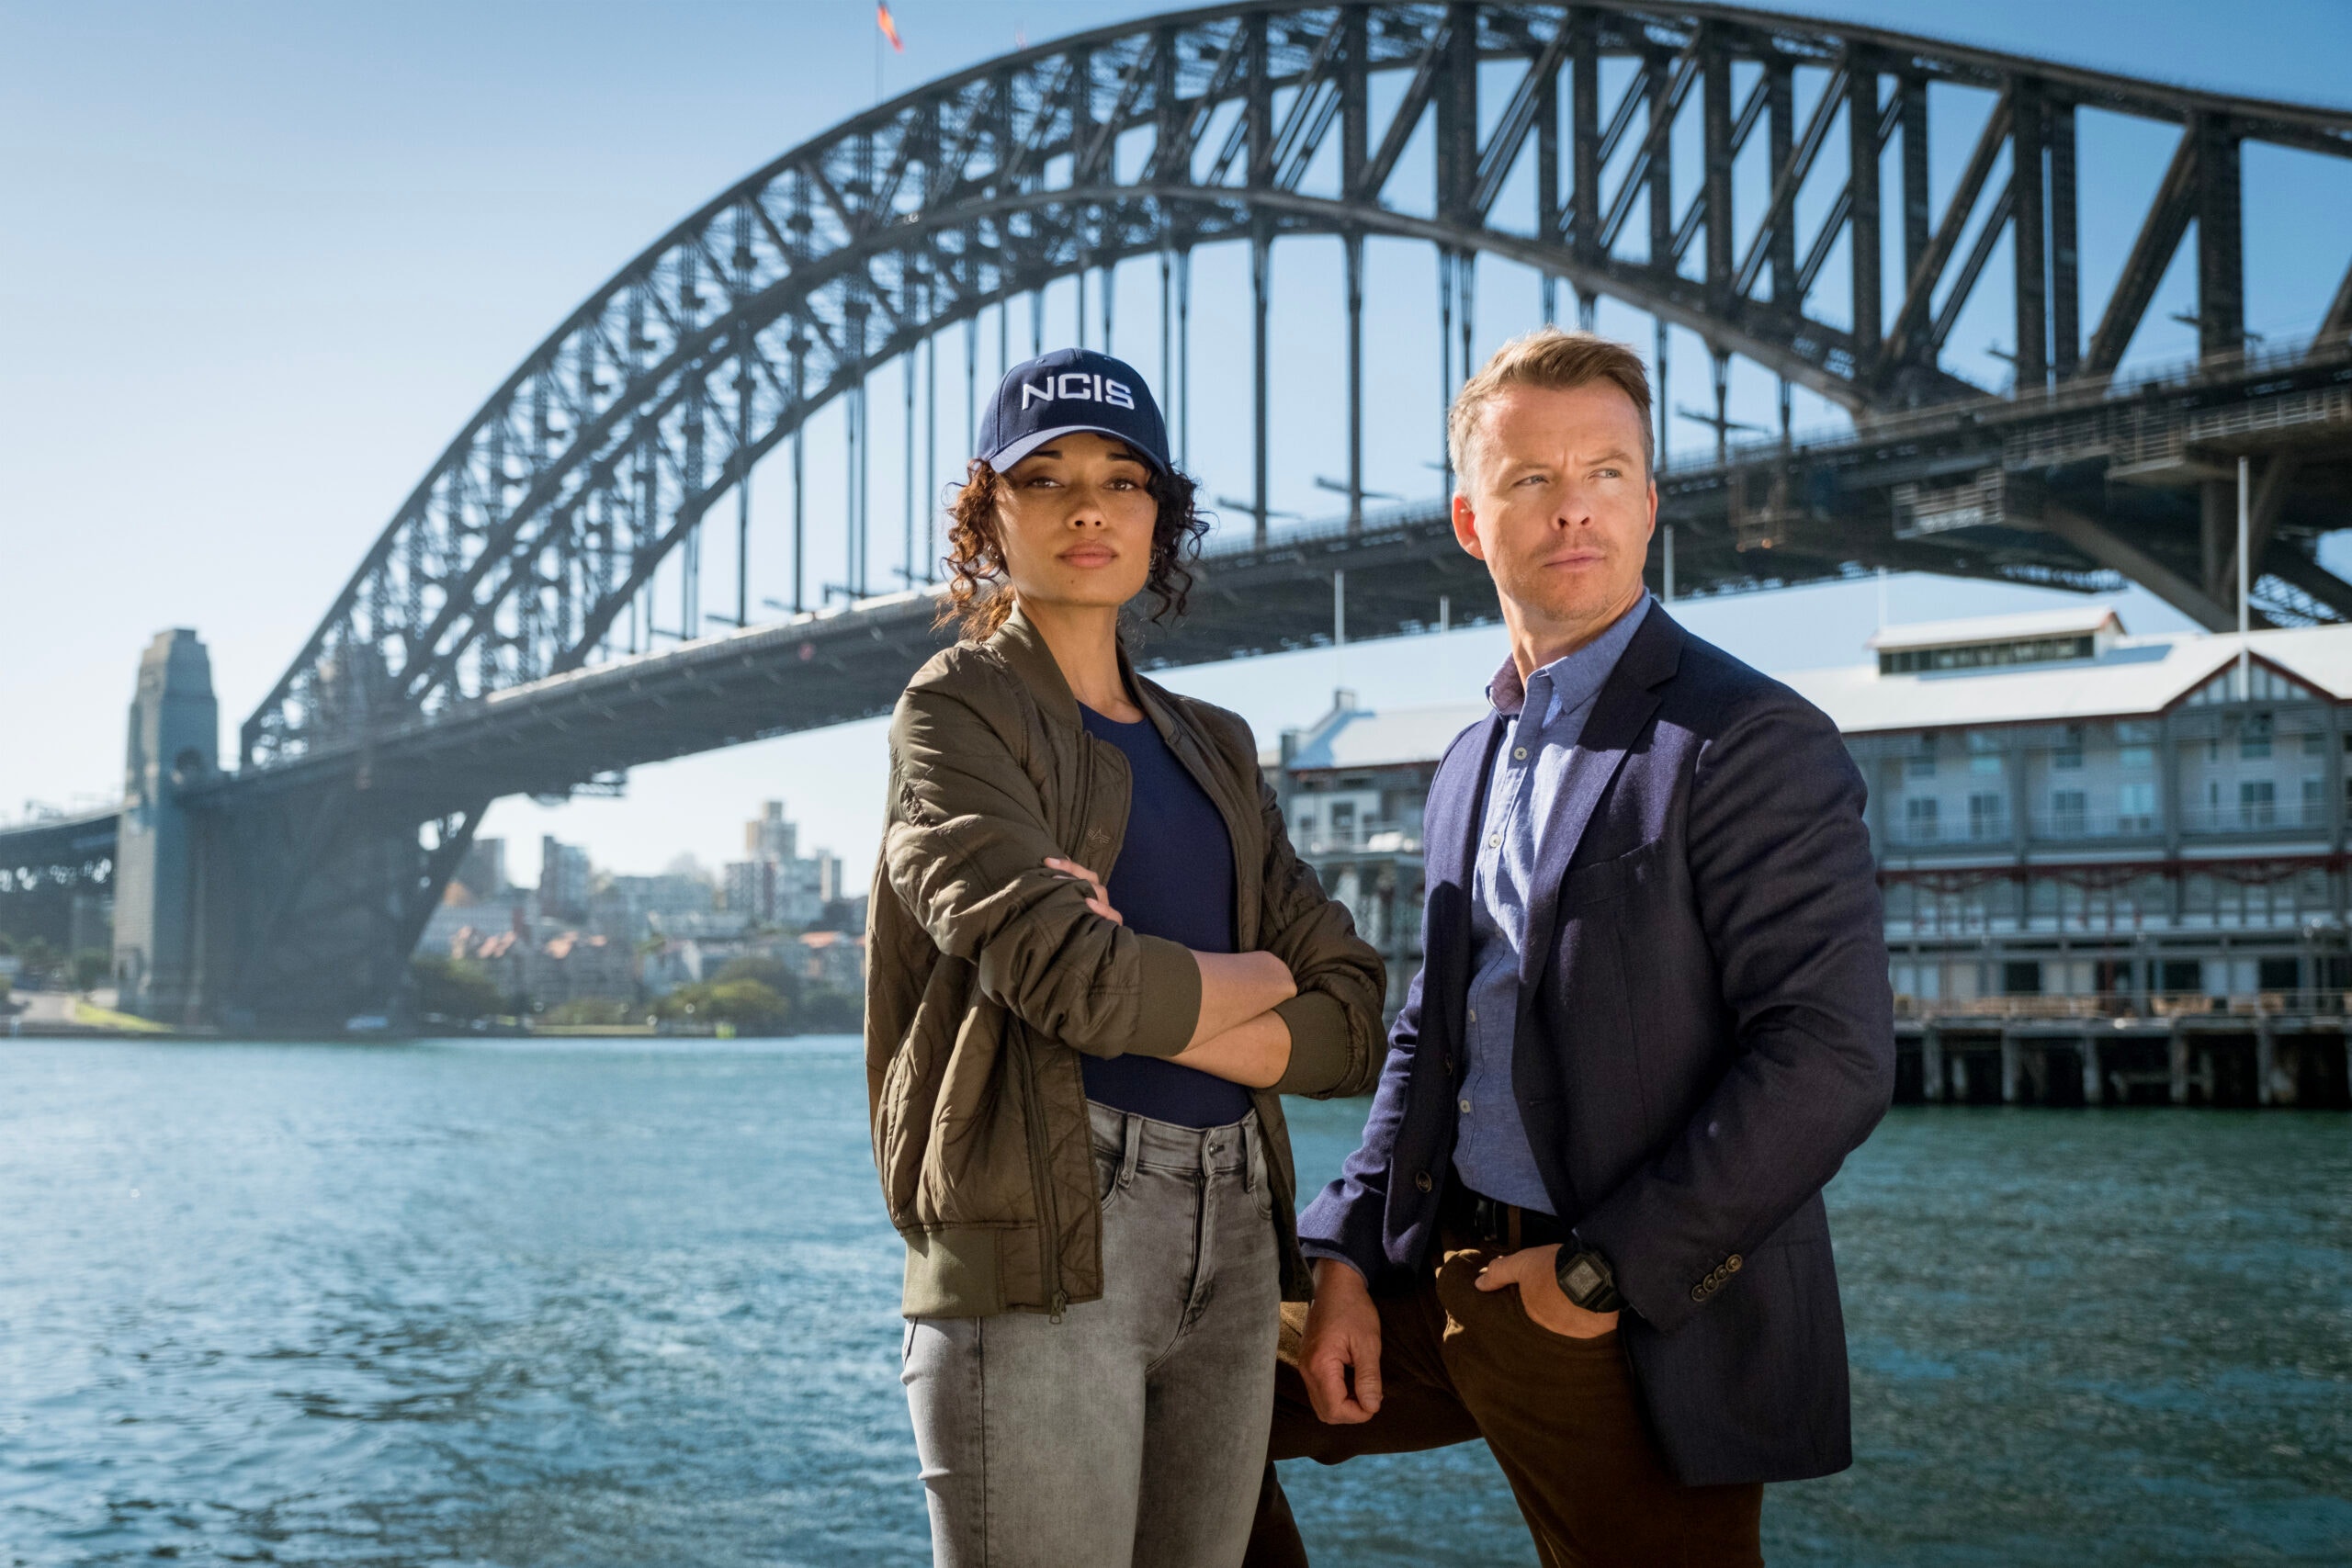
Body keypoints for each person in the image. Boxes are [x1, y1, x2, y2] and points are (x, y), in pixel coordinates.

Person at [1246, 329, 1896, 1568]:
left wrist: (1600, 1277)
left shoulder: (1746, 737)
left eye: (1605, 471)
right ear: (1470, 521)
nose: (1573, 509)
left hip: (1624, 1307)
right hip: (1430, 1270)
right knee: (1182, 1400)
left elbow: (1831, 1057)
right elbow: (1432, 1037)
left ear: (1651, 502)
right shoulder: (1471, 759)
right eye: (1531, 480)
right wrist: (1336, 1247)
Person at [867, 346, 1387, 1568]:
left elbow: (1355, 1016)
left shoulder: (1216, 746)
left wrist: (1190, 997)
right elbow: (1072, 981)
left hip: (1243, 1238)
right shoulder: (956, 714)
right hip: (1046, 1232)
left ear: (1164, 516)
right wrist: (1262, 983)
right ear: (988, 515)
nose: (1089, 505)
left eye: (1123, 478)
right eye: (1044, 478)